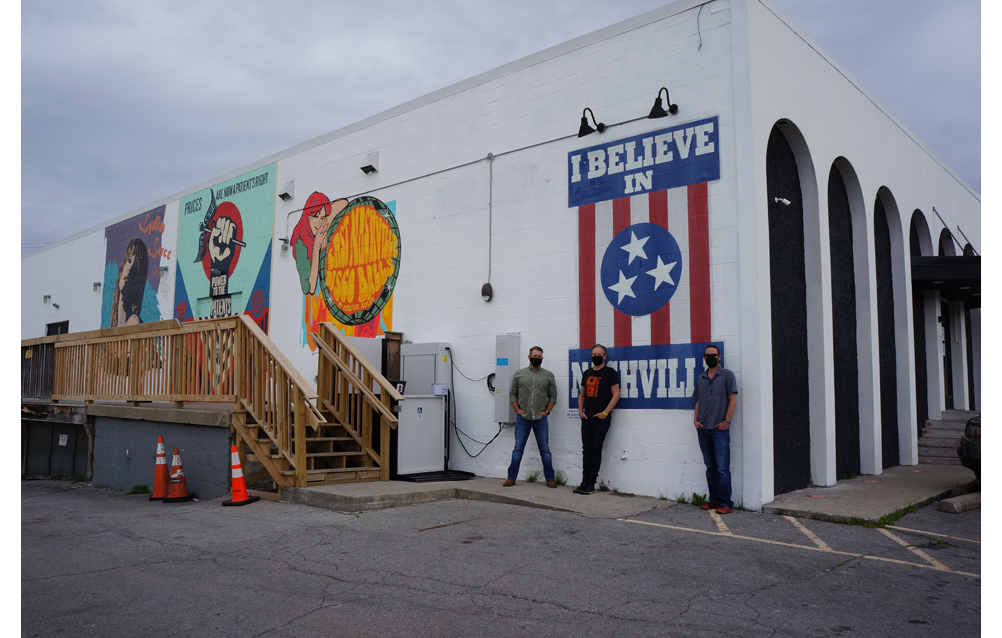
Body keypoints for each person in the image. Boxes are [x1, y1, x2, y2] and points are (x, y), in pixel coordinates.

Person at [692, 344, 738, 514]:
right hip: (703, 429)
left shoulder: (727, 376)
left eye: (714, 354)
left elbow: (732, 400)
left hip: (719, 429)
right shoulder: (701, 378)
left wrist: (726, 421)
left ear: (719, 357)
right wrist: (695, 420)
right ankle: (714, 500)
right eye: (707, 355)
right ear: (704, 358)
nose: (710, 357)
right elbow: (697, 400)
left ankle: (726, 503)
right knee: (710, 466)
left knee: (722, 468)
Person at [504, 347, 558, 488]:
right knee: (518, 449)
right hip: (523, 418)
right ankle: (511, 477)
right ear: (529, 357)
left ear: (542, 358)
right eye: (535, 355)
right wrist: (517, 410)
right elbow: (513, 394)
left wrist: (547, 411)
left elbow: (553, 396)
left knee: (545, 450)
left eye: (539, 356)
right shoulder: (519, 374)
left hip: (541, 418)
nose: (537, 358)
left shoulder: (548, 375)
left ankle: (550, 478)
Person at [575, 344, 620, 494]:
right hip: (587, 418)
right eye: (594, 354)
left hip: (601, 419)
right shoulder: (587, 373)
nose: (596, 356)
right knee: (586, 450)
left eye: (599, 354)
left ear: (604, 356)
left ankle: (591, 483)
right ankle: (584, 482)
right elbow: (582, 395)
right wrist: (581, 412)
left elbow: (616, 395)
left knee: (595, 449)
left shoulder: (610, 373)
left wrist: (605, 413)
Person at [110, 237, 149, 327]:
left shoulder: (133, 321)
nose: (129, 269)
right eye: (129, 260)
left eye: (135, 267)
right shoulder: (115, 321)